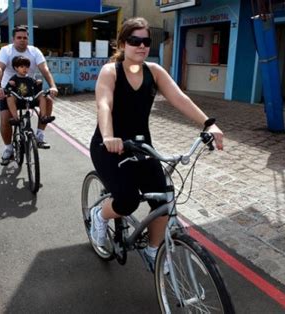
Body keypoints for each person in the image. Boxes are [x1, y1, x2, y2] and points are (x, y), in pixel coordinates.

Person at [88, 17, 224, 270]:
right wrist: (108, 137)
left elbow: (179, 98)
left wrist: (208, 123)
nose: (141, 46)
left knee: (162, 201)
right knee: (126, 200)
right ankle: (100, 215)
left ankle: (154, 250)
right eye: (134, 41)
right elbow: (103, 105)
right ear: (122, 43)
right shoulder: (111, 71)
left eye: (146, 41)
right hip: (109, 147)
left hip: (142, 148)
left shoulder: (154, 71)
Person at [0, 26, 58, 166]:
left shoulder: (34, 51)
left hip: (29, 90)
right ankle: (8, 149)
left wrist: (52, 86)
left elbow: (45, 69)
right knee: (5, 119)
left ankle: (40, 135)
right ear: (13, 39)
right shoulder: (6, 51)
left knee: (47, 99)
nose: (22, 40)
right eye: (19, 38)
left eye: (25, 38)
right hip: (10, 92)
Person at [5, 56, 54, 126]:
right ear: (16, 68)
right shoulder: (14, 79)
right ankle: (15, 118)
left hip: (30, 101)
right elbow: (7, 90)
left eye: (27, 67)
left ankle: (43, 117)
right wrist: (9, 85)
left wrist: (38, 84)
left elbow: (37, 91)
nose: (25, 69)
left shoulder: (30, 79)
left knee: (42, 95)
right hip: (19, 101)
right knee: (9, 97)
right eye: (22, 67)